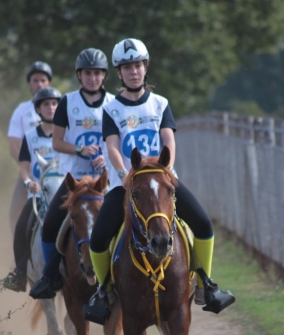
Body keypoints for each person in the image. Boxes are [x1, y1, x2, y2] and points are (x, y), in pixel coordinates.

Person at [85, 38, 234, 320]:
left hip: (163, 181)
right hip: (127, 184)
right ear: (118, 72)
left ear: (145, 68)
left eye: (138, 65)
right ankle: (104, 291)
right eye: (127, 67)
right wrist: (123, 175)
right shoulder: (111, 110)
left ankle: (206, 286)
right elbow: (113, 146)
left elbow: (168, 139)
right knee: (98, 238)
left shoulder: (160, 104)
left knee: (202, 223)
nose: (133, 71)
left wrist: (166, 171)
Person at [29, 48, 114, 300]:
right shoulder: (67, 102)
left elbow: (116, 141)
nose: (92, 78)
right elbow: (56, 142)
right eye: (87, 73)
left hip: (103, 181)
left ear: (104, 76)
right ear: (80, 75)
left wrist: (106, 157)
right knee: (50, 227)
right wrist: (79, 149)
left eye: (97, 73)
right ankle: (51, 277)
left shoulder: (113, 103)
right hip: (74, 181)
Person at [5, 87, 62, 292]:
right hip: (38, 195)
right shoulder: (30, 137)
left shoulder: (66, 133)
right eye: (46, 104)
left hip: (62, 194)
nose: (51, 107)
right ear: (38, 108)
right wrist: (29, 182)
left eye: (55, 103)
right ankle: (20, 273)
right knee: (22, 226)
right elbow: (24, 168)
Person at [8, 61, 53, 236]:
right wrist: (26, 166)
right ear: (29, 84)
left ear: (49, 82)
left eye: (43, 80)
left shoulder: (58, 106)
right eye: (35, 80)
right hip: (31, 173)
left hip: (58, 170)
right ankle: (19, 252)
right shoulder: (21, 110)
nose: (39, 84)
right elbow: (13, 145)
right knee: (14, 211)